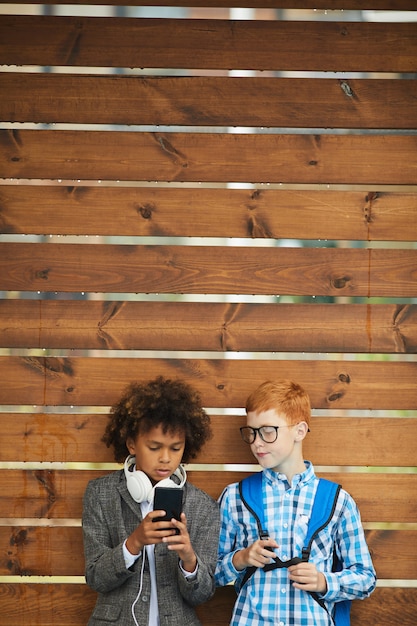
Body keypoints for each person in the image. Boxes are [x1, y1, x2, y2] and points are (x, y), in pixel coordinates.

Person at [215, 379, 376, 626]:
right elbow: (207, 574)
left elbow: (365, 578)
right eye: (251, 432)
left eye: (268, 431)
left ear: (299, 431)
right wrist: (241, 558)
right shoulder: (235, 497)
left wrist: (324, 582)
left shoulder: (337, 502)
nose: (257, 442)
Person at [83, 376, 220, 626]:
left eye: (176, 448)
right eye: (155, 447)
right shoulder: (100, 494)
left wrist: (188, 559)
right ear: (132, 444)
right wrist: (133, 544)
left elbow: (202, 595)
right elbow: (96, 578)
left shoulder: (203, 506)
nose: (166, 458)